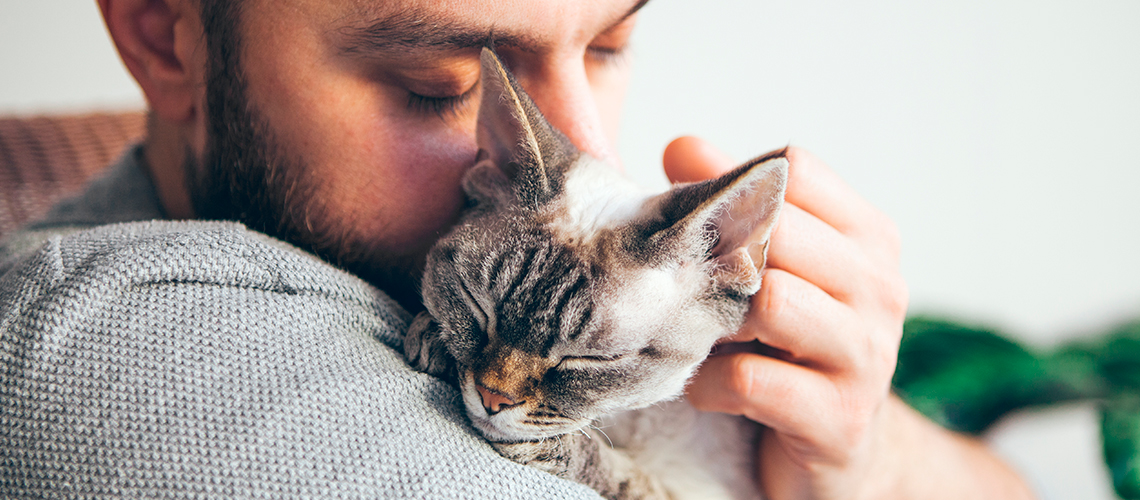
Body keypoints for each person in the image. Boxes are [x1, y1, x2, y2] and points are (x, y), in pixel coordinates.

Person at [0, 0, 1035, 498]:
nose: (584, 148)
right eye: (440, 85)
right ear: (160, 29)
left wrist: (872, 451)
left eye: (611, 43)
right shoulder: (123, 352)